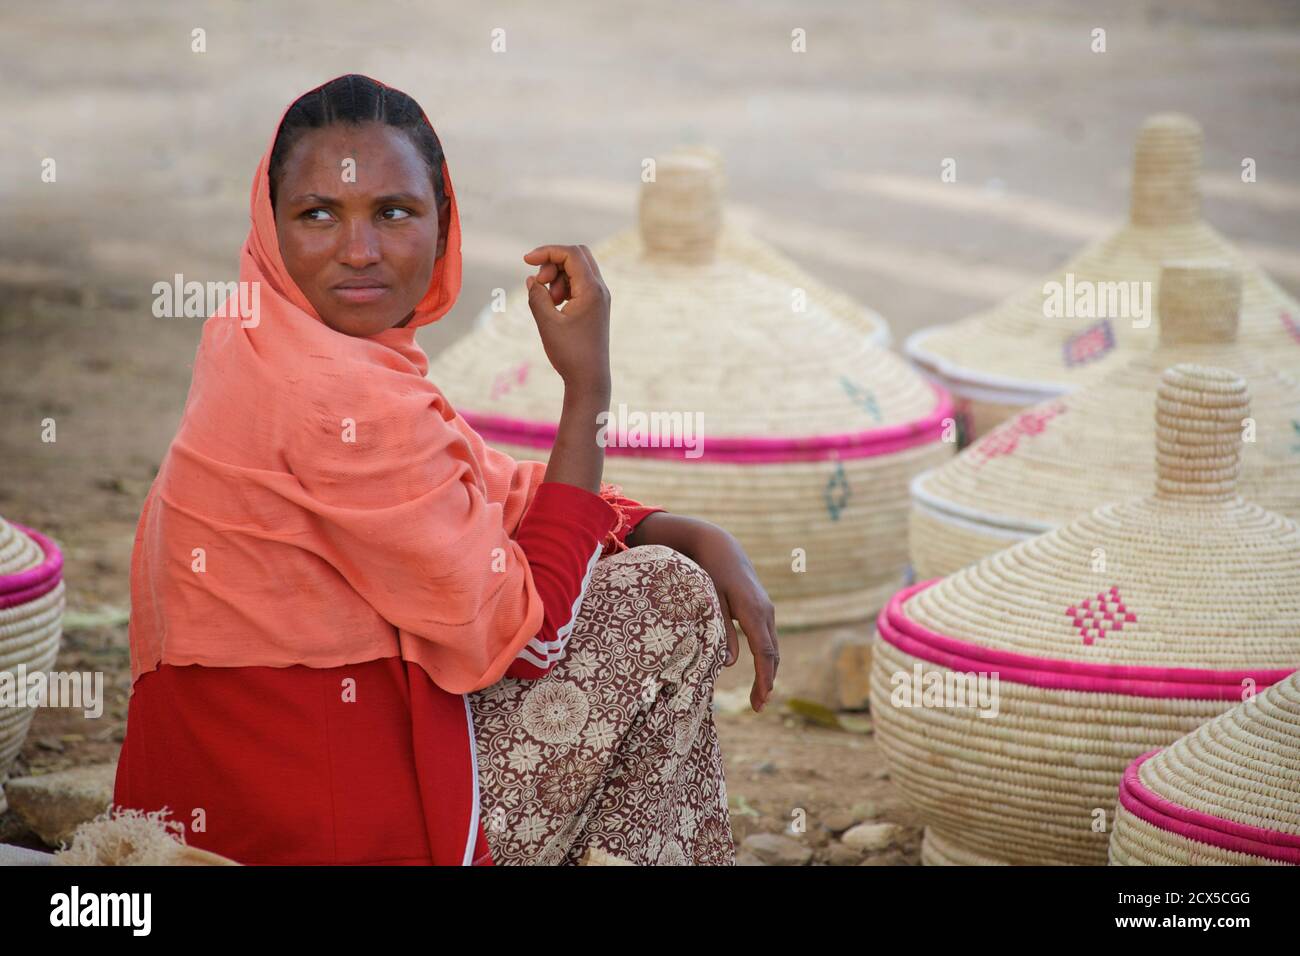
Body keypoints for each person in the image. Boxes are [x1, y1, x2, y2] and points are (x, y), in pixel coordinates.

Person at [113, 74, 780, 866]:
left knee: (654, 567)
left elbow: (475, 494)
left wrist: (672, 524)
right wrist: (588, 390)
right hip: (316, 829)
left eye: (393, 213)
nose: (359, 251)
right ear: (272, 227)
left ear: (442, 227)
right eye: (318, 214)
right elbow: (527, 639)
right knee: (665, 599)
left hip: (228, 796)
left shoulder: (256, 337)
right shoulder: (336, 392)